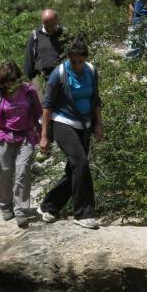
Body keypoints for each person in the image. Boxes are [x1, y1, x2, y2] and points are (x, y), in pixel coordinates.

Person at [36, 38, 103, 229]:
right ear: (68, 58)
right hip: (62, 122)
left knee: (73, 169)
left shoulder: (91, 71)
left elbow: (96, 99)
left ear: (85, 59)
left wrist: (99, 125)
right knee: (81, 163)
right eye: (73, 61)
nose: (77, 65)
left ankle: (49, 206)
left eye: (80, 61)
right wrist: (44, 136)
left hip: (85, 124)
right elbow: (47, 106)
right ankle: (83, 214)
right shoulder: (60, 73)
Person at [0, 61, 42, 228]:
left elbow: (39, 115)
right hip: (4, 136)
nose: (11, 84)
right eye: (7, 81)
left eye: (13, 79)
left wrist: (44, 135)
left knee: (22, 172)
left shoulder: (29, 92)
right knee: (6, 174)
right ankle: (6, 206)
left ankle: (21, 210)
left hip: (26, 137)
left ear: (18, 77)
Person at [24, 9, 67, 82]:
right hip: (42, 78)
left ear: (57, 21)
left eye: (52, 25)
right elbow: (29, 60)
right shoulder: (35, 35)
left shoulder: (64, 33)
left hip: (63, 77)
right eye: (47, 26)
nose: (50, 28)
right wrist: (26, 81)